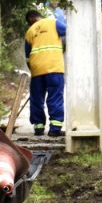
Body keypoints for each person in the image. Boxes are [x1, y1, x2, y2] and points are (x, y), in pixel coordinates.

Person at [24, 8, 67, 137]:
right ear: (38, 16)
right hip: (54, 67)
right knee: (55, 96)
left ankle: (38, 128)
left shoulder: (29, 31)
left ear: (30, 21)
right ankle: (55, 129)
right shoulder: (54, 23)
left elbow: (27, 57)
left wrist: (34, 70)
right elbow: (69, 33)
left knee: (37, 98)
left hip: (37, 69)